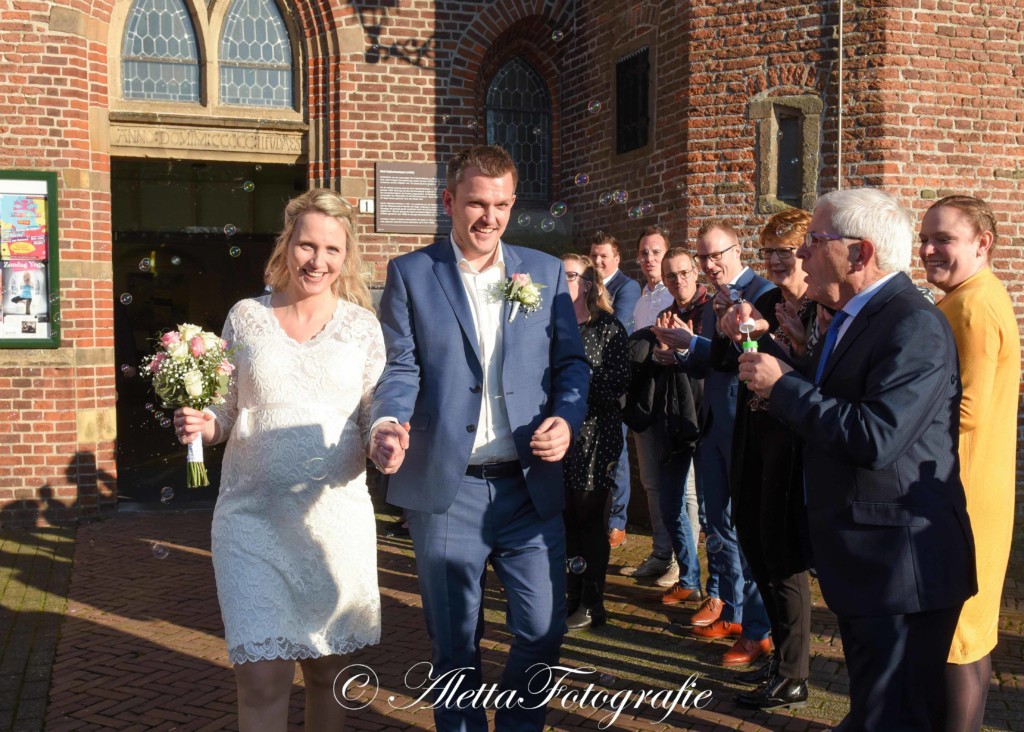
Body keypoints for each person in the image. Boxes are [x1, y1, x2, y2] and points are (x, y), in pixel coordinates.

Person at [369, 145, 590, 732]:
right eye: (476, 203)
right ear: (449, 201)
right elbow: (400, 367)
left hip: (529, 487)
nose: (489, 217)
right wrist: (388, 422)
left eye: (501, 205)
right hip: (449, 489)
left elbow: (571, 365)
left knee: (543, 631)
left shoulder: (543, 272)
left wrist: (566, 418)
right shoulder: (412, 274)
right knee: (454, 646)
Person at [738, 187, 976, 730]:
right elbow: (835, 400)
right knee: (877, 710)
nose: (801, 252)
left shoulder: (912, 324)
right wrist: (779, 362)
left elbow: (876, 436)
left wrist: (785, 387)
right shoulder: (853, 316)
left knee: (893, 716)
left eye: (814, 240)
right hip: (865, 558)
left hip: (901, 568)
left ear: (860, 252)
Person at [173, 189, 383, 731]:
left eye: (332, 249)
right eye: (307, 245)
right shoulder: (246, 317)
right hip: (251, 521)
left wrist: (386, 442)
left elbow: (374, 418)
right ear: (287, 244)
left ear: (346, 256)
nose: (318, 260)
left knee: (327, 675)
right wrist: (202, 425)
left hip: (333, 524)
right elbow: (224, 410)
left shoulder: (362, 327)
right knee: (262, 679)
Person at [653, 220, 773, 666]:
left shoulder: (763, 294)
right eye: (703, 257)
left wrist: (697, 342)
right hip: (713, 428)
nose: (709, 264)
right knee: (718, 524)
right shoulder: (713, 303)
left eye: (716, 254)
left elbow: (754, 357)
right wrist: (684, 350)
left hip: (748, 429)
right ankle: (734, 612)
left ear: (737, 250)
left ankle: (759, 631)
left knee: (751, 530)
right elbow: (712, 366)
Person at [919, 195, 1019, 732]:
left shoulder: (973, 304)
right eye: (924, 239)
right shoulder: (974, 295)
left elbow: (968, 410)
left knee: (957, 638)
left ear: (983, 243)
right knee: (971, 636)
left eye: (944, 239)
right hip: (976, 486)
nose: (929, 250)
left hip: (964, 490)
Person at [717, 209, 815, 708]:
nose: (776, 260)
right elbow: (734, 360)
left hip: (792, 441)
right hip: (754, 431)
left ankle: (795, 674)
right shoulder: (769, 301)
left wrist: (787, 341)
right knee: (754, 541)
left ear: (807, 251)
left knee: (782, 554)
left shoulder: (822, 306)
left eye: (786, 250)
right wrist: (733, 332)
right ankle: (778, 658)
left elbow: (820, 377)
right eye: (770, 251)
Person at [626, 248, 708, 609]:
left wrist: (684, 350)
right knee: (671, 500)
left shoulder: (712, 310)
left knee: (706, 510)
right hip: (674, 418)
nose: (679, 280)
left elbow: (718, 361)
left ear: (695, 272)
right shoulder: (666, 314)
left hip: (706, 418)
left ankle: (718, 593)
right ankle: (688, 578)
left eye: (684, 272)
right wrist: (660, 356)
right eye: (671, 275)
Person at [560, 253, 629, 630]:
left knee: (589, 519)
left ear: (587, 284)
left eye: (569, 275)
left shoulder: (608, 328)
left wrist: (575, 382)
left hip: (595, 436)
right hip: (560, 436)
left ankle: (592, 603)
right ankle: (571, 594)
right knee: (566, 518)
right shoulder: (552, 325)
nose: (562, 281)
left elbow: (617, 384)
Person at [619, 225, 678, 586]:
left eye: (656, 252)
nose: (649, 258)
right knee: (651, 482)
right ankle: (660, 552)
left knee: (675, 485)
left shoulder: (674, 294)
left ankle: (680, 562)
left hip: (667, 401)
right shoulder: (643, 298)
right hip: (644, 399)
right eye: (643, 253)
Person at [590, 233, 641, 550]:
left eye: (604, 256)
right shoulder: (588, 284)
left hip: (613, 382)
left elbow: (616, 328)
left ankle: (618, 522)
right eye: (594, 255)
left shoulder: (627, 287)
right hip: (590, 382)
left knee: (616, 452)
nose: (597, 261)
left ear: (617, 258)